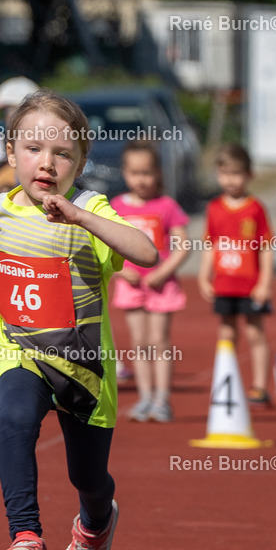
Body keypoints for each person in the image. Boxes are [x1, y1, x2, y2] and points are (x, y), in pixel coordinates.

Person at [0, 91, 158, 550]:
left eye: (62, 154)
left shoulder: (90, 208)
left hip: (83, 367)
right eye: (34, 149)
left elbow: (147, 253)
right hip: (21, 350)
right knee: (15, 420)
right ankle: (26, 537)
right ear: (11, 153)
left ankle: (96, 521)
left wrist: (83, 219)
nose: (46, 163)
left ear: (80, 164)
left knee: (87, 476)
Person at [110, 140, 189, 422]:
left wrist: (163, 272)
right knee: (139, 342)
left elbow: (184, 246)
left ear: (158, 173)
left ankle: (162, 399)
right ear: (125, 173)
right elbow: (105, 244)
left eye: (146, 173)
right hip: (131, 286)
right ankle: (145, 397)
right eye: (134, 173)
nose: (141, 180)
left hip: (160, 285)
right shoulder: (116, 206)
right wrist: (120, 270)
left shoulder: (167, 206)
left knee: (159, 341)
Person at [198, 144, 275, 407]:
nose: (230, 180)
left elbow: (266, 247)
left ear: (249, 175)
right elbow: (210, 245)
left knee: (255, 334)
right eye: (224, 173)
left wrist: (265, 282)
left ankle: (260, 387)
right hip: (224, 284)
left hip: (251, 286)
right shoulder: (214, 208)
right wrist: (203, 277)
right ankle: (226, 383)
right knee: (226, 334)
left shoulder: (256, 209)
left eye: (236, 173)